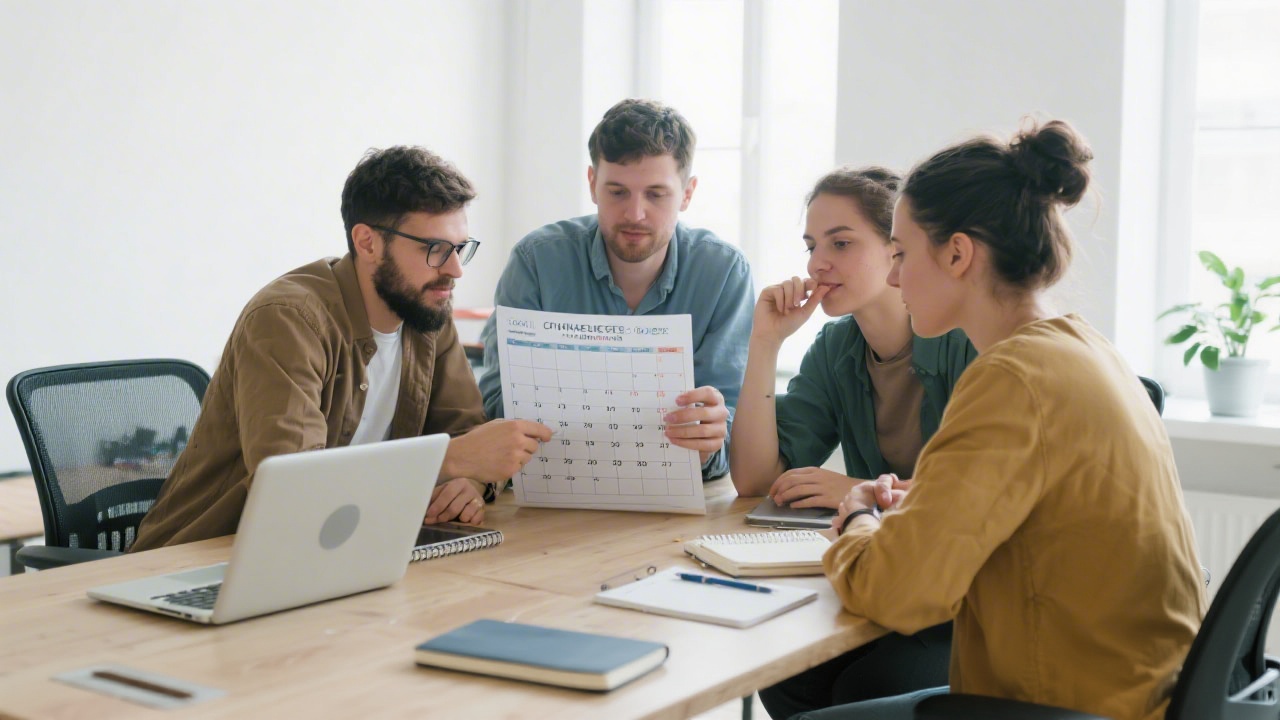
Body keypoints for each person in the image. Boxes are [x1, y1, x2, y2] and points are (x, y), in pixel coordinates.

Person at [805, 119, 1205, 720]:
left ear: (959, 253)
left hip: (1069, 706)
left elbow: (897, 594)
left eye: (901, 254)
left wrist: (859, 515)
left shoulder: (1011, 377)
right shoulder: (1083, 349)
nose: (892, 277)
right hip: (1142, 693)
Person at [133, 146, 552, 551]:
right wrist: (451, 461)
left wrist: (472, 483)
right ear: (367, 242)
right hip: (209, 555)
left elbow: (468, 435)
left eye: (460, 249)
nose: (455, 270)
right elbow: (292, 485)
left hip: (339, 548)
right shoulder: (288, 320)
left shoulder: (426, 310)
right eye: (435, 249)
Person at [728, 167, 974, 719]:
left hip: (965, 602)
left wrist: (856, 490)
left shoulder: (967, 343)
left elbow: (971, 502)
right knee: (789, 677)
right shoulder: (836, 348)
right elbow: (754, 479)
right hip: (887, 582)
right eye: (813, 245)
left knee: (868, 685)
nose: (817, 263)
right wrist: (764, 342)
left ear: (897, 250)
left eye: (841, 243)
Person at [478, 99, 754, 480]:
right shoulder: (537, 262)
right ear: (592, 184)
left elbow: (734, 436)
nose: (635, 214)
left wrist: (708, 443)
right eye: (617, 192)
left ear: (687, 194)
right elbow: (497, 407)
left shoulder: (724, 273)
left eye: (656, 194)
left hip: (680, 500)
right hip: (550, 494)